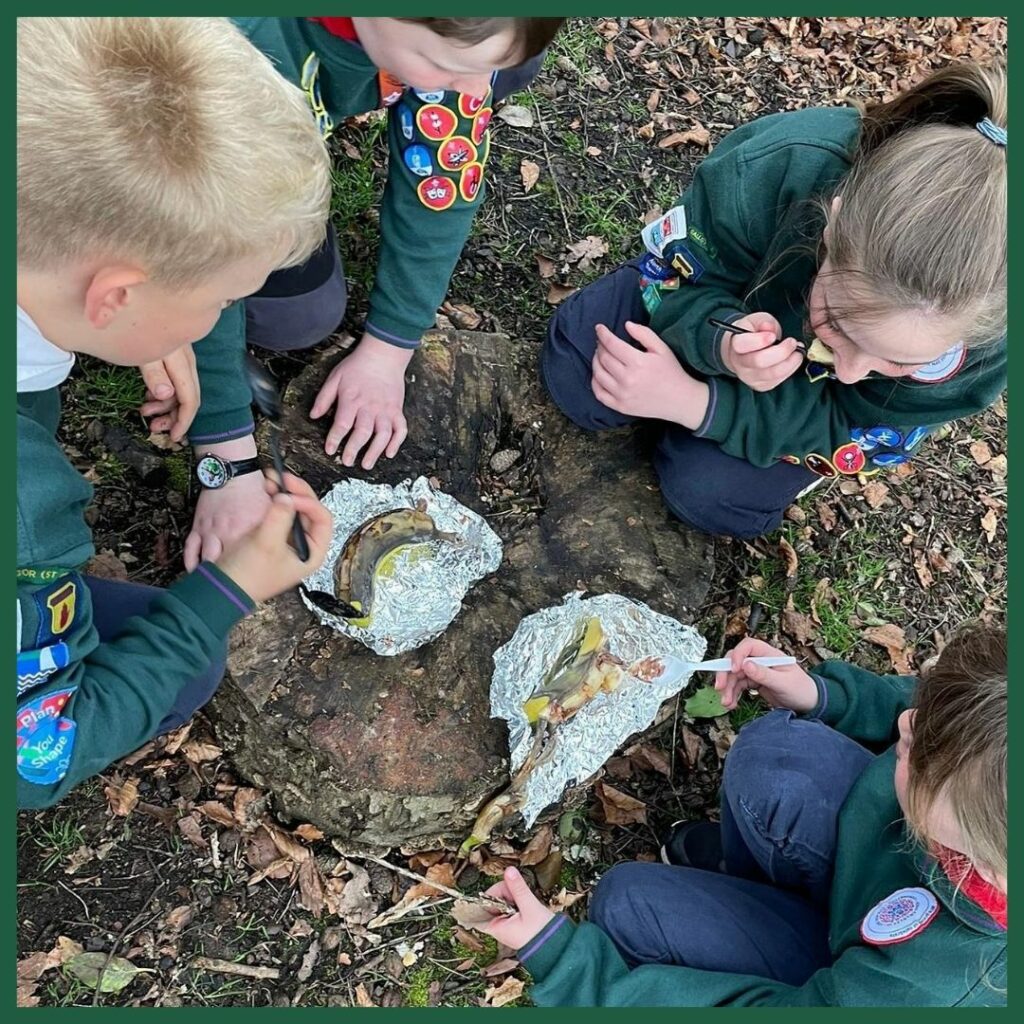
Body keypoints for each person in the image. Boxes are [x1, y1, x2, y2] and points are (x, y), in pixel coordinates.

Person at [17, 17, 335, 807]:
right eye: (221, 301)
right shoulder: (25, 515)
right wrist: (231, 587)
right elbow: (37, 759)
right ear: (115, 294)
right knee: (185, 663)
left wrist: (126, 329)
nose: (218, 319)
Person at [541, 61, 1007, 538]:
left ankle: (720, 427)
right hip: (720, 298)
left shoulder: (992, 335)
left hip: (810, 409)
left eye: (900, 361)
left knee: (711, 499)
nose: (850, 371)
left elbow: (855, 426)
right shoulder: (784, 162)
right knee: (575, 378)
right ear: (831, 229)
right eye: (838, 324)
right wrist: (719, 340)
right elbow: (681, 276)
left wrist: (697, 404)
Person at [179, 16, 565, 571]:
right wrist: (226, 457)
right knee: (293, 316)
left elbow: (442, 184)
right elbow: (193, 256)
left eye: (484, 70)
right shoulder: (234, 56)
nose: (475, 90)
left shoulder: (456, 43)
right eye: (447, 65)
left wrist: (390, 346)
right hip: (196, 157)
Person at [481, 624, 1007, 1006]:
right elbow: (937, 707)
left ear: (983, 857)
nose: (907, 723)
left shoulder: (937, 991)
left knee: (624, 904)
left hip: (837, 986)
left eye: (917, 751)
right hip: (873, 869)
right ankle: (756, 881)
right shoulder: (983, 778)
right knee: (776, 758)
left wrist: (565, 962)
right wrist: (821, 695)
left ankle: (764, 907)